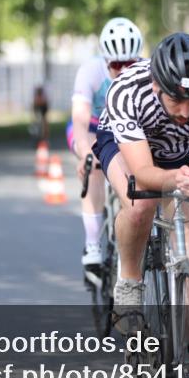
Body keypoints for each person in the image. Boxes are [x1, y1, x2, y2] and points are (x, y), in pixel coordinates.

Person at [92, 32, 189, 338]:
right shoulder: (127, 91)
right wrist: (174, 179)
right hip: (129, 148)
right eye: (176, 100)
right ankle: (129, 280)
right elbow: (143, 172)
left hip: (187, 153)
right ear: (156, 85)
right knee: (140, 204)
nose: (185, 112)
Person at [68, 17, 144, 269]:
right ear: (105, 60)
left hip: (127, 128)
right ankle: (93, 243)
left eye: (130, 64)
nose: (123, 70)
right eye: (117, 65)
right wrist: (85, 154)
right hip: (92, 127)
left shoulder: (148, 71)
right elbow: (80, 120)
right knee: (94, 166)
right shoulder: (90, 71)